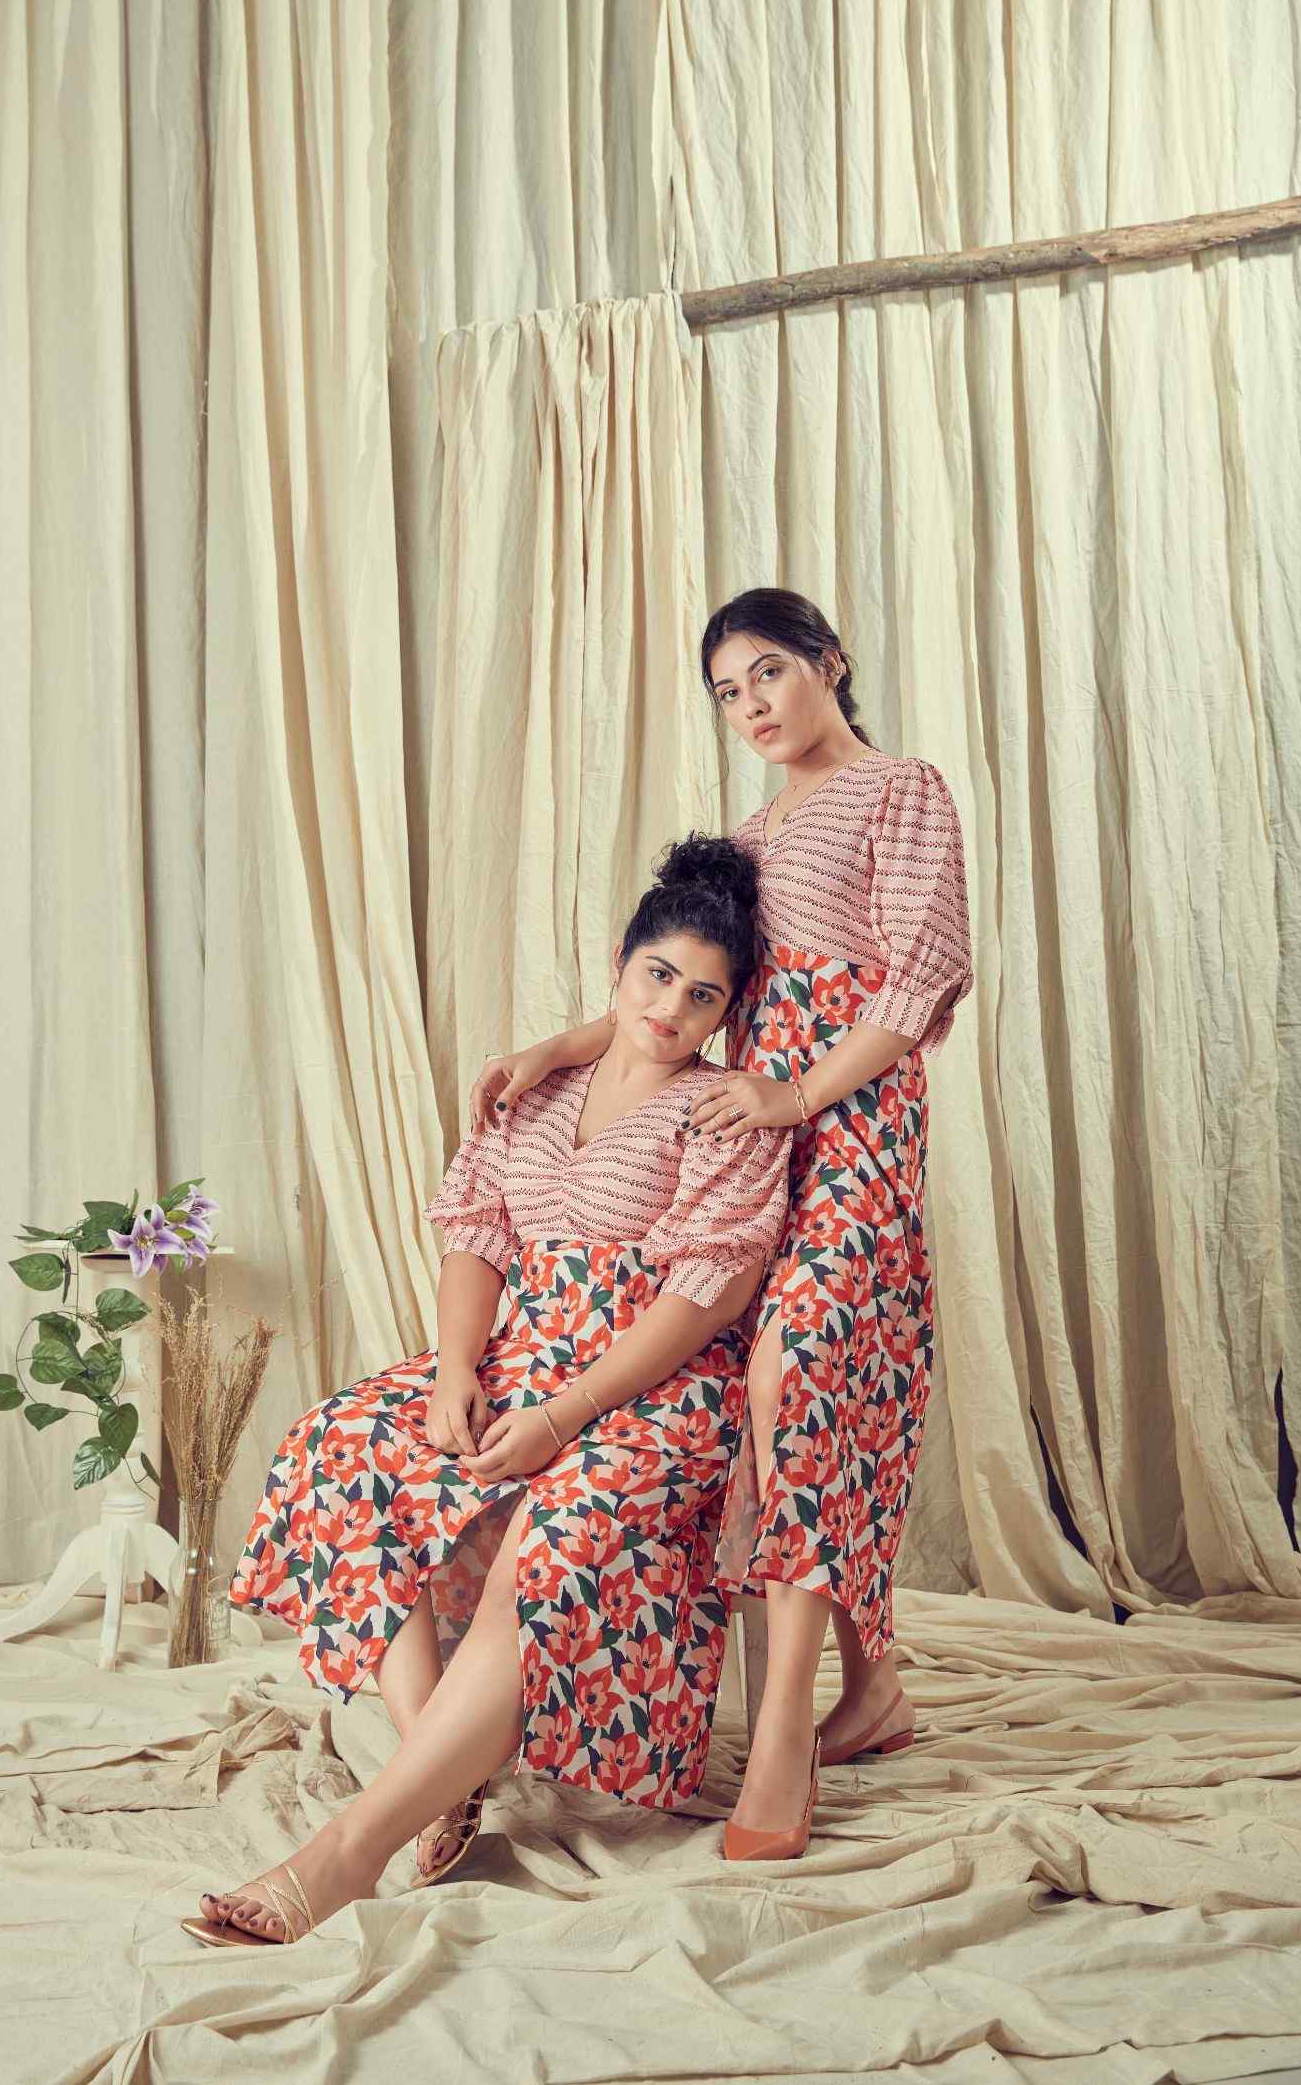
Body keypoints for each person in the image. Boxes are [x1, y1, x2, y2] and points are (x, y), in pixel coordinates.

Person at [184, 833, 792, 1948]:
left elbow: (703, 1302)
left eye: (702, 996)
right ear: (620, 966)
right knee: (344, 1448)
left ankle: (348, 1851)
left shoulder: (724, 1111)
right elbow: (477, 1234)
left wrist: (565, 1417)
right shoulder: (536, 1088)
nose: (671, 1009)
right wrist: (457, 1369)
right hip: (520, 1357)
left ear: (726, 1012)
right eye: (658, 976)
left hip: (656, 1388)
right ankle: (442, 1777)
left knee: (550, 1548)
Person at [470, 589, 973, 1861]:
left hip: (849, 1127)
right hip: (742, 1135)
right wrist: (557, 1049)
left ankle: (785, 1732)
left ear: (830, 663)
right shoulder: (747, 840)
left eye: (768, 674)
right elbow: (682, 982)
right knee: (786, 1399)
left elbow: (919, 982)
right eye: (727, 692)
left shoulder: (900, 790)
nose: (750, 706)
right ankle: (873, 1690)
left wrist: (796, 1095)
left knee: (794, 1372)